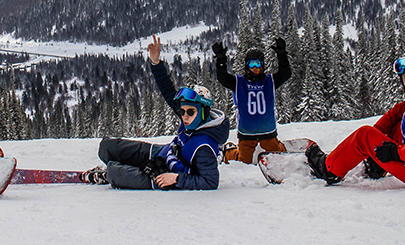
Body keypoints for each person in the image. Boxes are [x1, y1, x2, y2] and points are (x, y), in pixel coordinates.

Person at [304, 51, 405, 188]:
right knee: (396, 124)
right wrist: (376, 138)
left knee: (363, 135)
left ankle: (328, 170)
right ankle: (376, 164)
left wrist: (393, 152)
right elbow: (398, 112)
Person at [94, 35, 229, 190]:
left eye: (190, 112)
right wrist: (156, 63)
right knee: (106, 147)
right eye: (182, 111)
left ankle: (109, 174)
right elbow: (168, 91)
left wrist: (176, 178)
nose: (184, 116)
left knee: (114, 172)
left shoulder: (204, 146)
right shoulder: (194, 121)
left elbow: (210, 182)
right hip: (162, 153)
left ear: (203, 113)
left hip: (164, 175)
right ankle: (120, 168)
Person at [213, 39, 291, 163]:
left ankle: (281, 147)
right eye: (251, 64)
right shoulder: (239, 83)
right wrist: (221, 60)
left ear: (263, 65)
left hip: (268, 132)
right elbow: (223, 78)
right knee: (244, 161)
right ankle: (228, 152)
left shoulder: (270, 81)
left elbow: (285, 73)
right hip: (247, 133)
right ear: (246, 65)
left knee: (278, 158)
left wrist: (282, 55)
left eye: (258, 64)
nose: (255, 68)